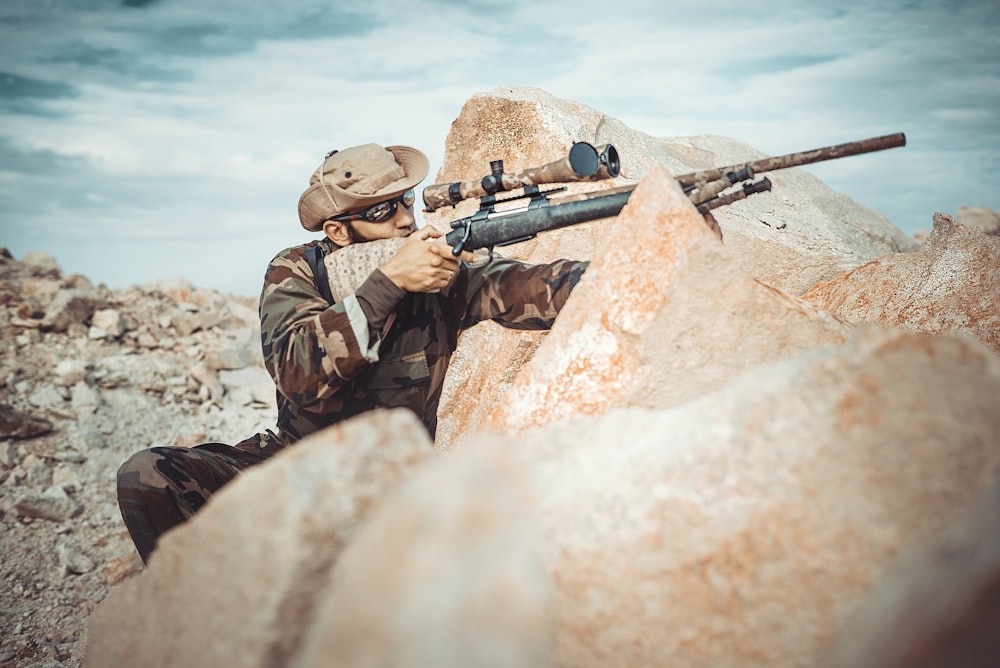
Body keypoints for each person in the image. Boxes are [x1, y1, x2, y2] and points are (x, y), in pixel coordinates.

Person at [116, 143, 589, 563]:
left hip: (395, 485)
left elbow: (536, 289)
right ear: (339, 233)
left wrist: (644, 245)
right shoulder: (299, 270)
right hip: (296, 466)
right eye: (381, 212)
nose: (406, 219)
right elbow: (296, 372)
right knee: (149, 475)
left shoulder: (440, 273)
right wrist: (387, 286)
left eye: (405, 200)